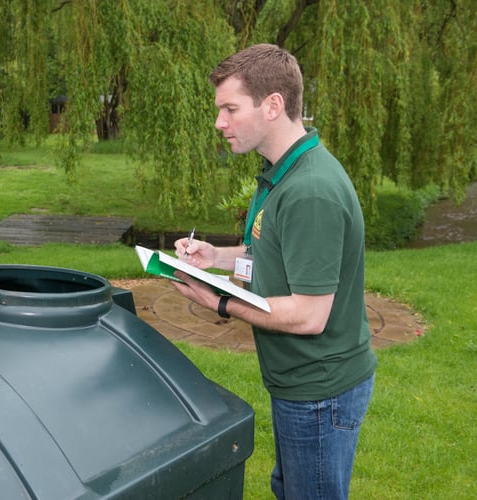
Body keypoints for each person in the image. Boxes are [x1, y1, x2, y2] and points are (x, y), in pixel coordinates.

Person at [172, 44, 377, 499]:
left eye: (230, 108)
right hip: (299, 386)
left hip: (320, 392)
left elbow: (308, 315)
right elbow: (273, 256)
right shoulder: (282, 172)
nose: (219, 122)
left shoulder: (309, 191)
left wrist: (222, 302)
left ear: (273, 105)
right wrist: (217, 257)